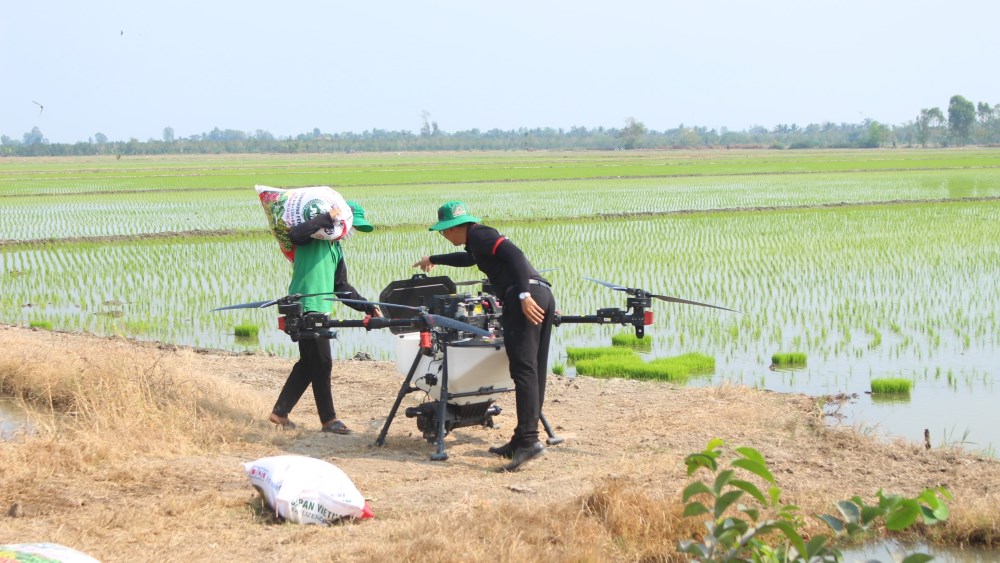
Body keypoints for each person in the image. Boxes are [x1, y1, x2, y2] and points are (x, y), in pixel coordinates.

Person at [413, 201, 554, 472]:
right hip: (540, 293)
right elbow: (468, 259)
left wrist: (523, 295)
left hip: (525, 295)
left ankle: (528, 441)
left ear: (455, 227)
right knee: (532, 369)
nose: (444, 236)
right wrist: (435, 259)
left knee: (524, 370)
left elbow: (514, 254)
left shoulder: (480, 233)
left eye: (444, 231)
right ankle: (522, 438)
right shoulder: (477, 243)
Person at [269, 200, 381, 435]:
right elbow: (296, 233)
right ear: (340, 222)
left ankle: (280, 412)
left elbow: (341, 287)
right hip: (305, 307)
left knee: (309, 364)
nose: (350, 232)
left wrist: (367, 307)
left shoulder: (335, 249)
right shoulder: (311, 240)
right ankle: (328, 420)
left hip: (319, 309)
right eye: (351, 226)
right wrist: (327, 217)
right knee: (322, 363)